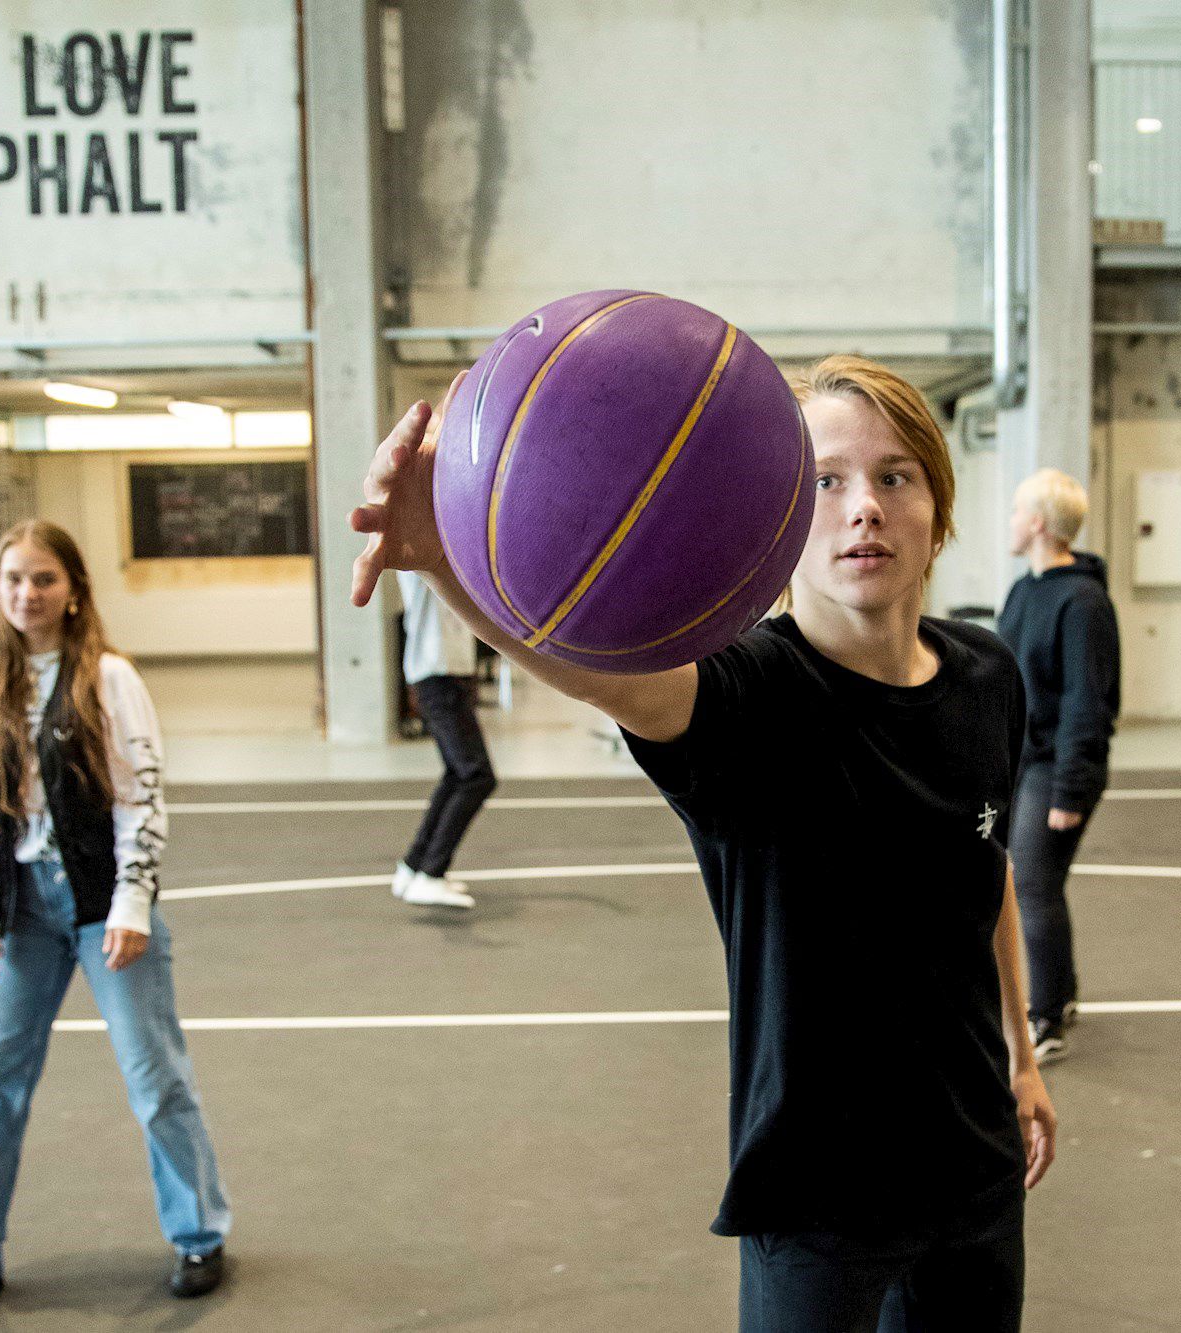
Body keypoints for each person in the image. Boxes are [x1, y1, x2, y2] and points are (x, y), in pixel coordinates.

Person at [350, 355, 1056, 1332]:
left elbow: (987, 871)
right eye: (825, 481)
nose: (863, 506)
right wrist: (446, 557)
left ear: (936, 510)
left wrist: (1022, 1056)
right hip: (816, 1197)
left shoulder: (987, 673)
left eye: (894, 476)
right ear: (776, 519)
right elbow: (593, 669)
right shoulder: (746, 694)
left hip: (974, 1171)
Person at [0, 521, 231, 1321]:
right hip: (21, 912)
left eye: (43, 578)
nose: (27, 593)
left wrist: (133, 901)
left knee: (155, 1078)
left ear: (74, 588)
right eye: (13, 578)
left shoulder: (110, 677)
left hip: (101, 905)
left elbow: (142, 795)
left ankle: (199, 1235)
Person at [997, 470, 1121, 1066]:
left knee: (1032, 884)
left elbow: (1085, 702)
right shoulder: (1024, 591)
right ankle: (1062, 995)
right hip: (1024, 760)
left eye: (1017, 511)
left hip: (1058, 766)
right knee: (1038, 882)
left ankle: (1043, 1019)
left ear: (1039, 523)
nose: (1010, 520)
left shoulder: (1083, 602)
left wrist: (1069, 790)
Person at [391, 570, 495, 909]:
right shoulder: (424, 559)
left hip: (442, 676)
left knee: (457, 774)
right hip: (438, 676)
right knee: (476, 776)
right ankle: (430, 874)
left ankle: (413, 867)